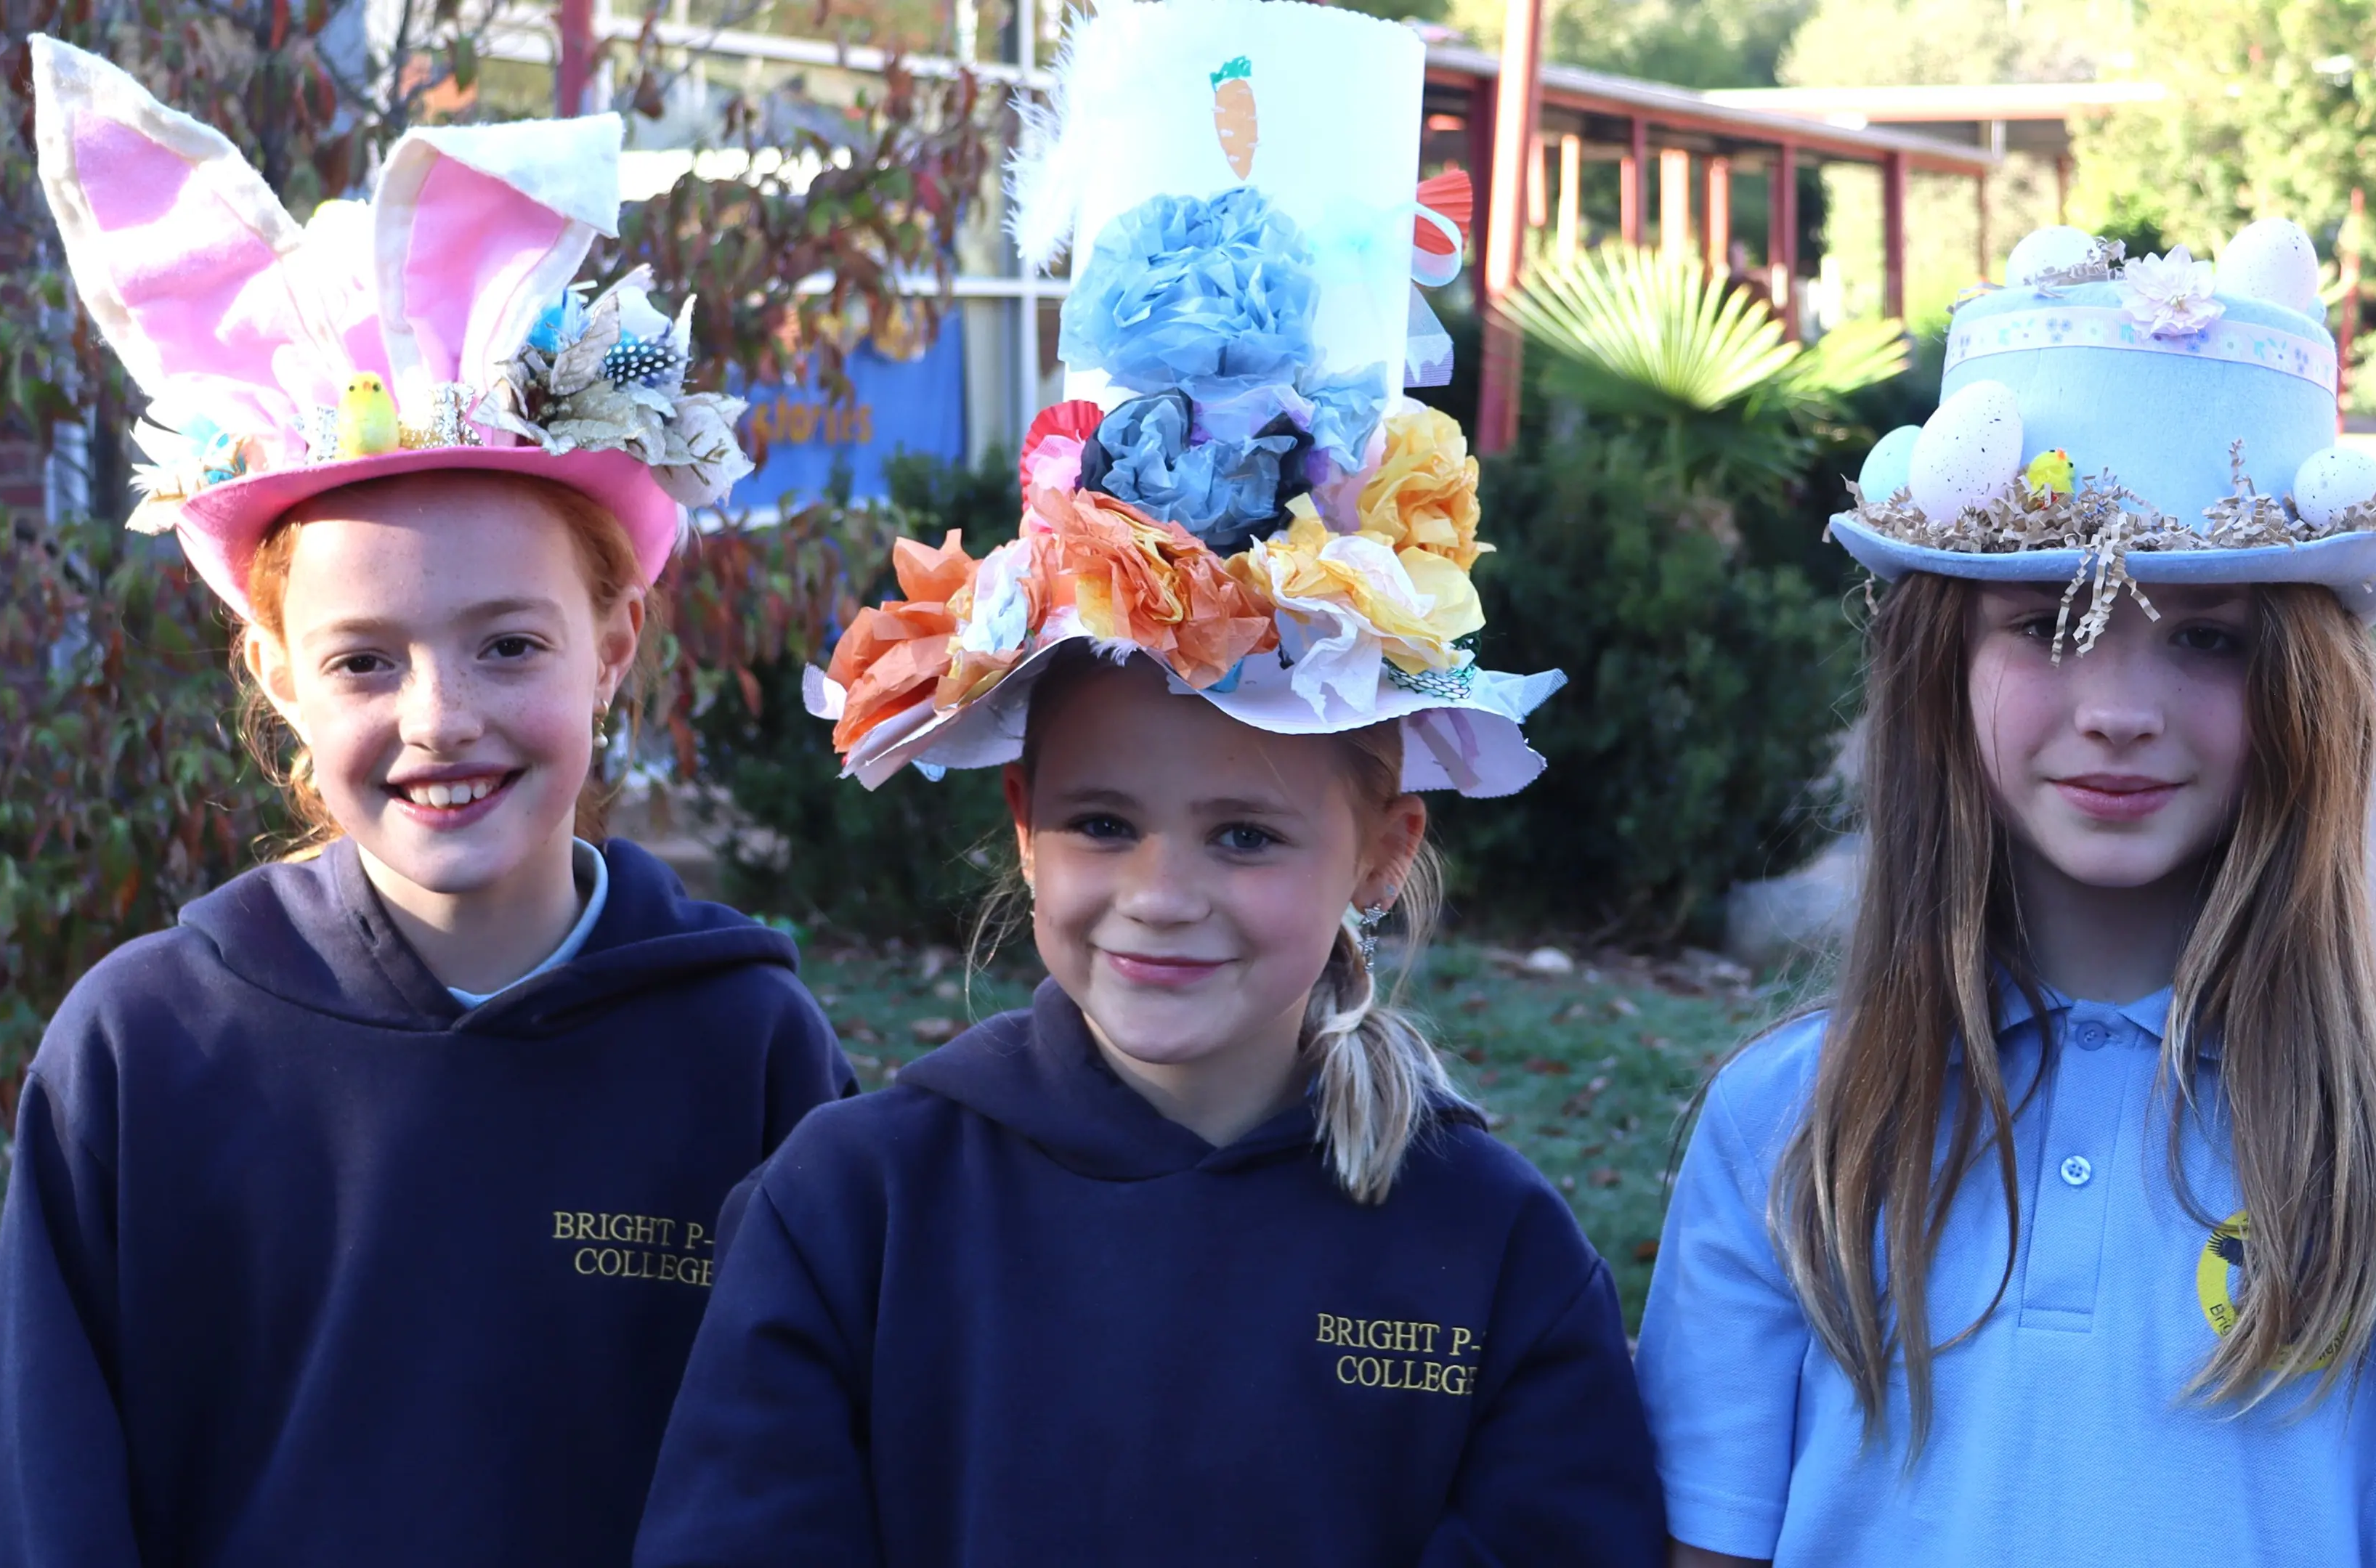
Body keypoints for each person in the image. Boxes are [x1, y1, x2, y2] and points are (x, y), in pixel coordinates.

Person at [631, 2, 1663, 1561]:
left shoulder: (1489, 1246)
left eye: (1246, 830)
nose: (1161, 894)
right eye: (1104, 822)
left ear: (1385, 847)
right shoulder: (856, 1209)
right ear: (1022, 826)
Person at [1637, 221, 2376, 1568]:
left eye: (2206, 637)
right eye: (2046, 624)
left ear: (2305, 691)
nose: (2121, 710)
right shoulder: (1791, 1124)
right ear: (1936, 669)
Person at [0, 38, 845, 1567]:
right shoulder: (142, 1053)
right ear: (281, 678)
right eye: (365, 660)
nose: (440, 717)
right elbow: (50, 1499)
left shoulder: (746, 1048)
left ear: (615, 644)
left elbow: (820, 1475)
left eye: (509, 643)